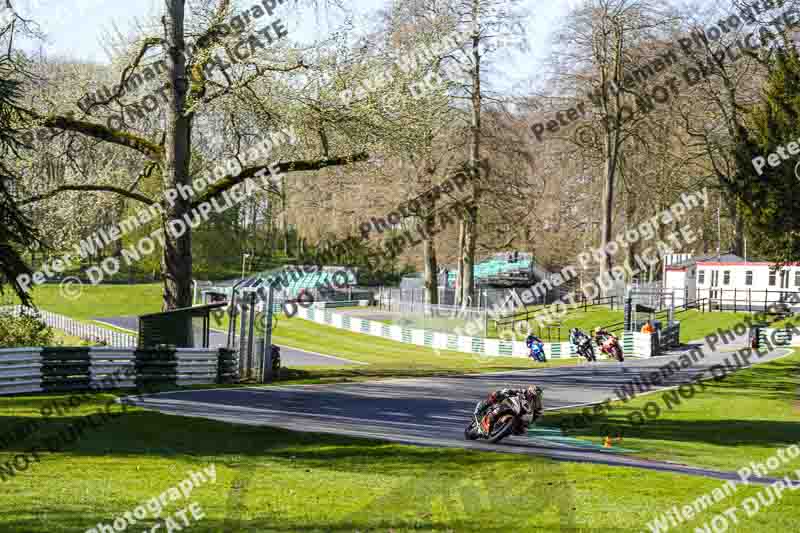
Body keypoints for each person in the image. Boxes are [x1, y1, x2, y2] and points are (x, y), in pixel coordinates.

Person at [473, 385, 544, 434]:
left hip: (519, 414)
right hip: (510, 404)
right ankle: (483, 406)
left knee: (522, 430)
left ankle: (504, 430)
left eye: (536, 397)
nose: (533, 397)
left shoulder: (537, 404)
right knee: (497, 394)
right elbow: (512, 390)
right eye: (532, 395)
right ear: (529, 392)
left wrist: (531, 422)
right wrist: (507, 391)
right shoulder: (523, 391)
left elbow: (538, 413)